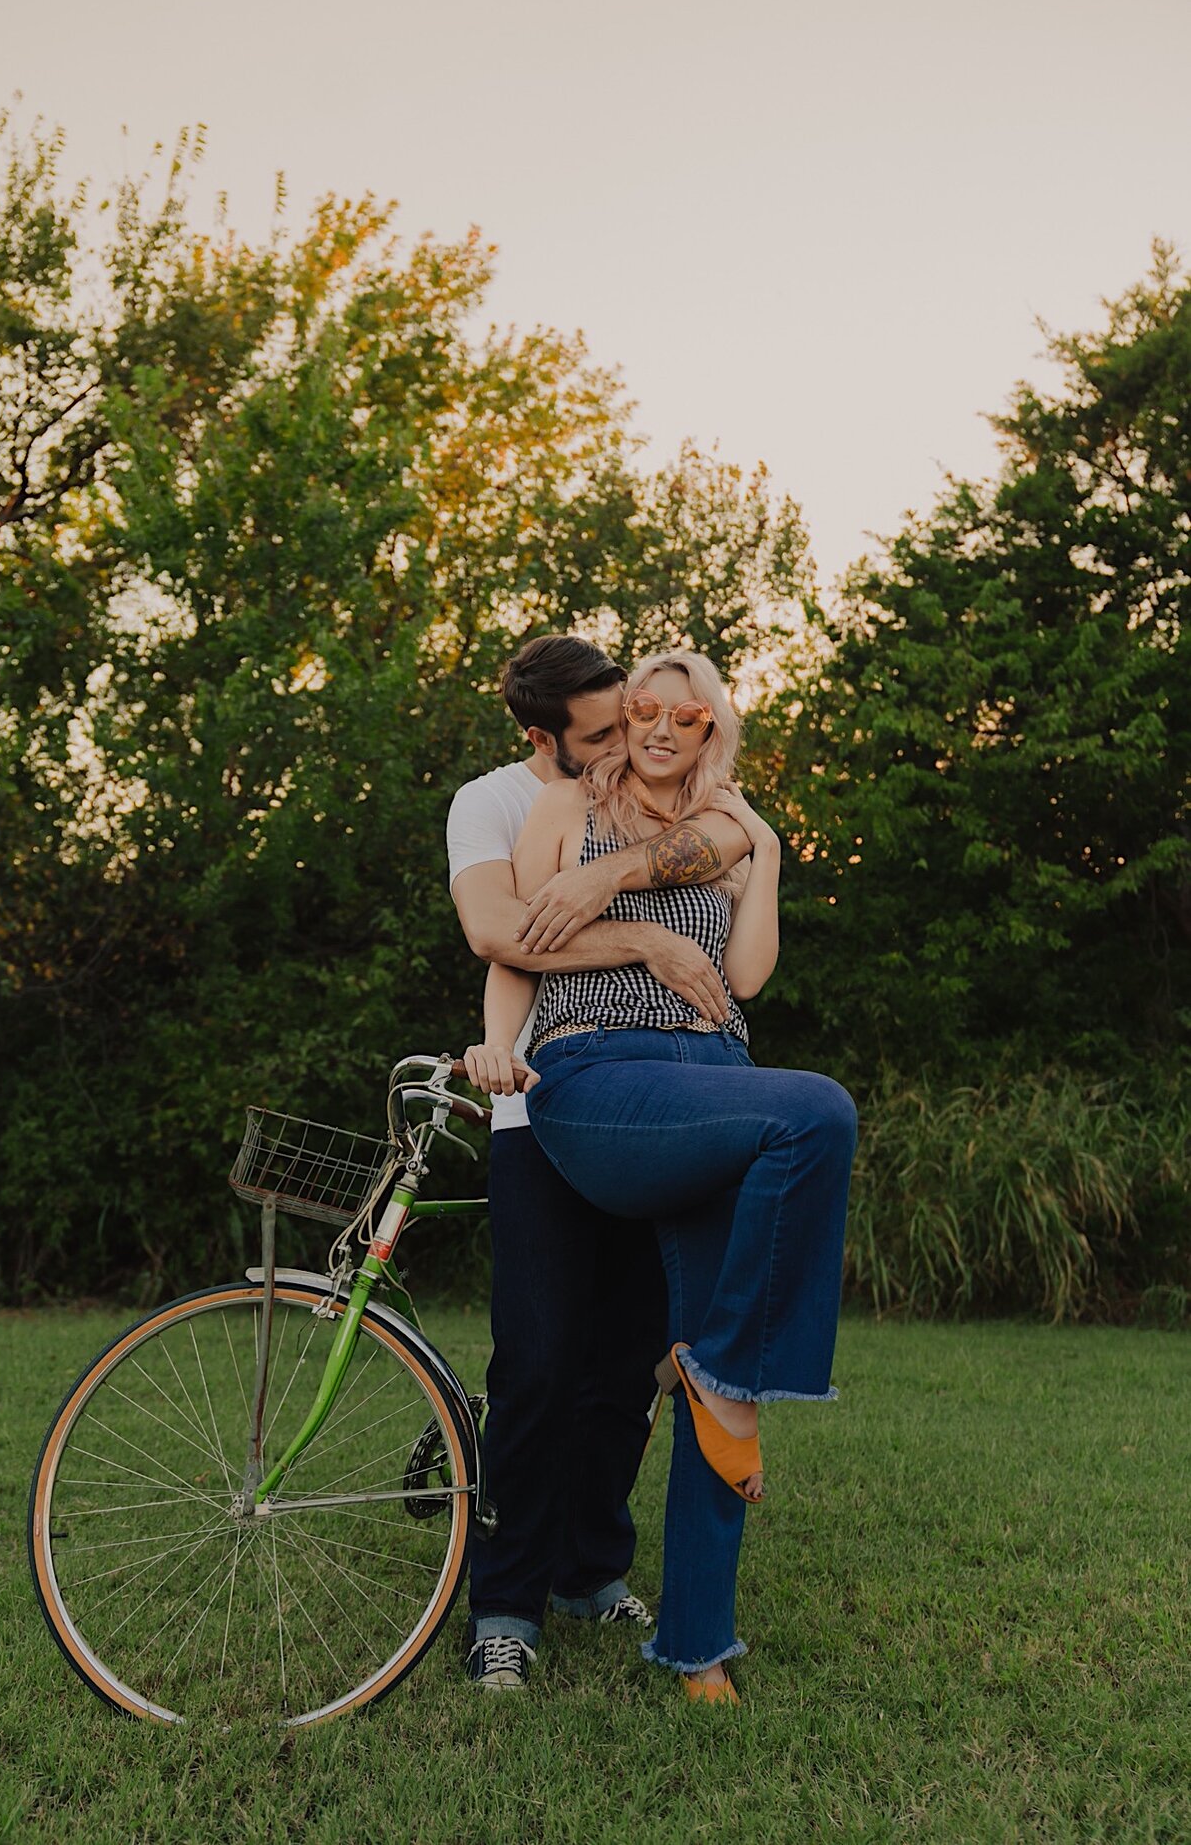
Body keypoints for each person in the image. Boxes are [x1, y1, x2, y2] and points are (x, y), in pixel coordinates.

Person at [465, 649, 856, 1706]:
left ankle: (697, 1642)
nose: (658, 724)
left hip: (711, 1085)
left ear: (709, 728)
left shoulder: (726, 828)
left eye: (686, 712)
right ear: (622, 715)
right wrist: (499, 1045)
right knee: (818, 1106)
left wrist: (765, 851)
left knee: (691, 1373)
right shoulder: (560, 809)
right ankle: (734, 1367)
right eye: (642, 704)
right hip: (596, 1071)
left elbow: (744, 979)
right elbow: (518, 947)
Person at [444, 635, 753, 1693]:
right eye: (605, 727)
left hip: (656, 1105)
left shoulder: (671, 800)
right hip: (542, 1106)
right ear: (546, 737)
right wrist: (642, 941)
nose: (630, 736)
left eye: (640, 716)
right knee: (535, 1360)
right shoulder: (504, 804)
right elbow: (503, 934)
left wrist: (647, 910)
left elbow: (730, 861)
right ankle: (505, 1601)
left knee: (627, 1364)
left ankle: (589, 1566)